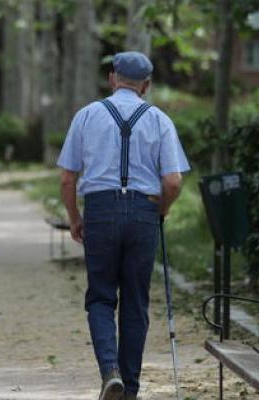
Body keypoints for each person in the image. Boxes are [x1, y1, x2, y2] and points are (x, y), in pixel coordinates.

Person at [57, 51, 190, 400]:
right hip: (144, 211)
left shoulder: (87, 115)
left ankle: (109, 371)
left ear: (112, 78)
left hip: (100, 210)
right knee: (135, 301)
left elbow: (67, 178)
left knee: (101, 297)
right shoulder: (160, 120)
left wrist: (74, 218)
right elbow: (173, 181)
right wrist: (161, 210)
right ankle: (129, 389)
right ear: (146, 85)